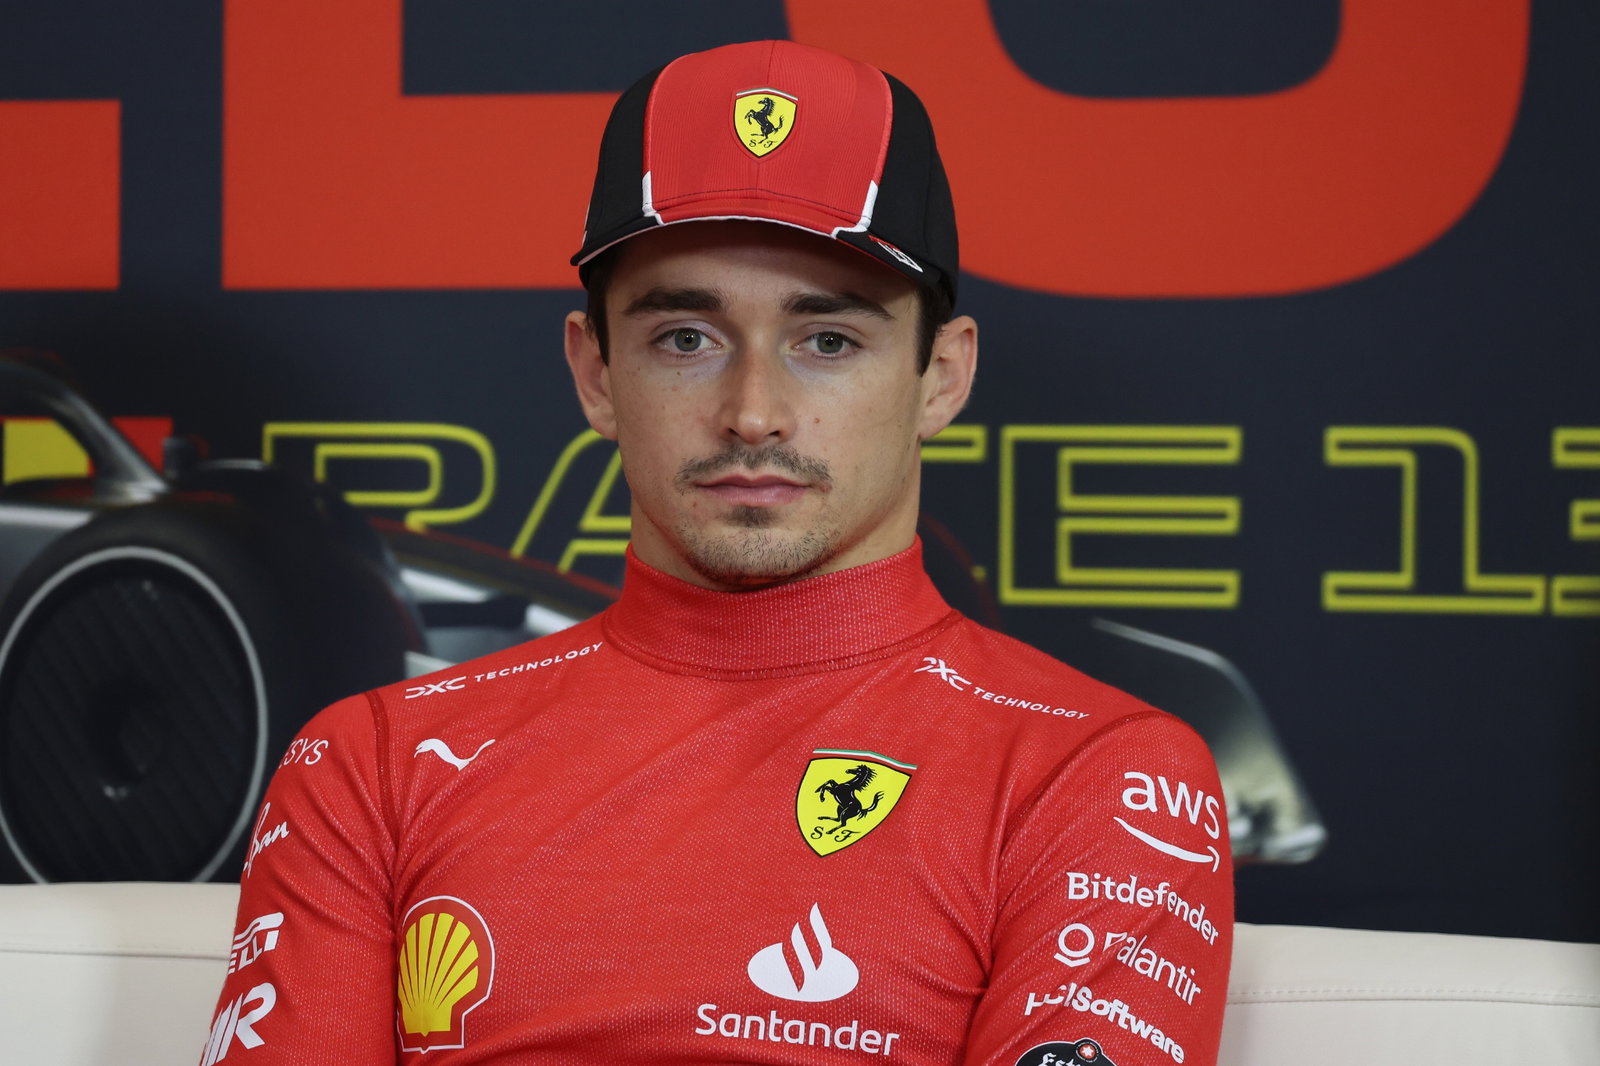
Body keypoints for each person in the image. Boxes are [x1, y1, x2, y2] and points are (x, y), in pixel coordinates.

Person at [199, 39, 1232, 1066]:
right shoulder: (370, 768)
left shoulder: (1102, 775)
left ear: (941, 377)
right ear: (596, 372)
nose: (751, 412)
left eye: (827, 339)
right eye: (685, 337)